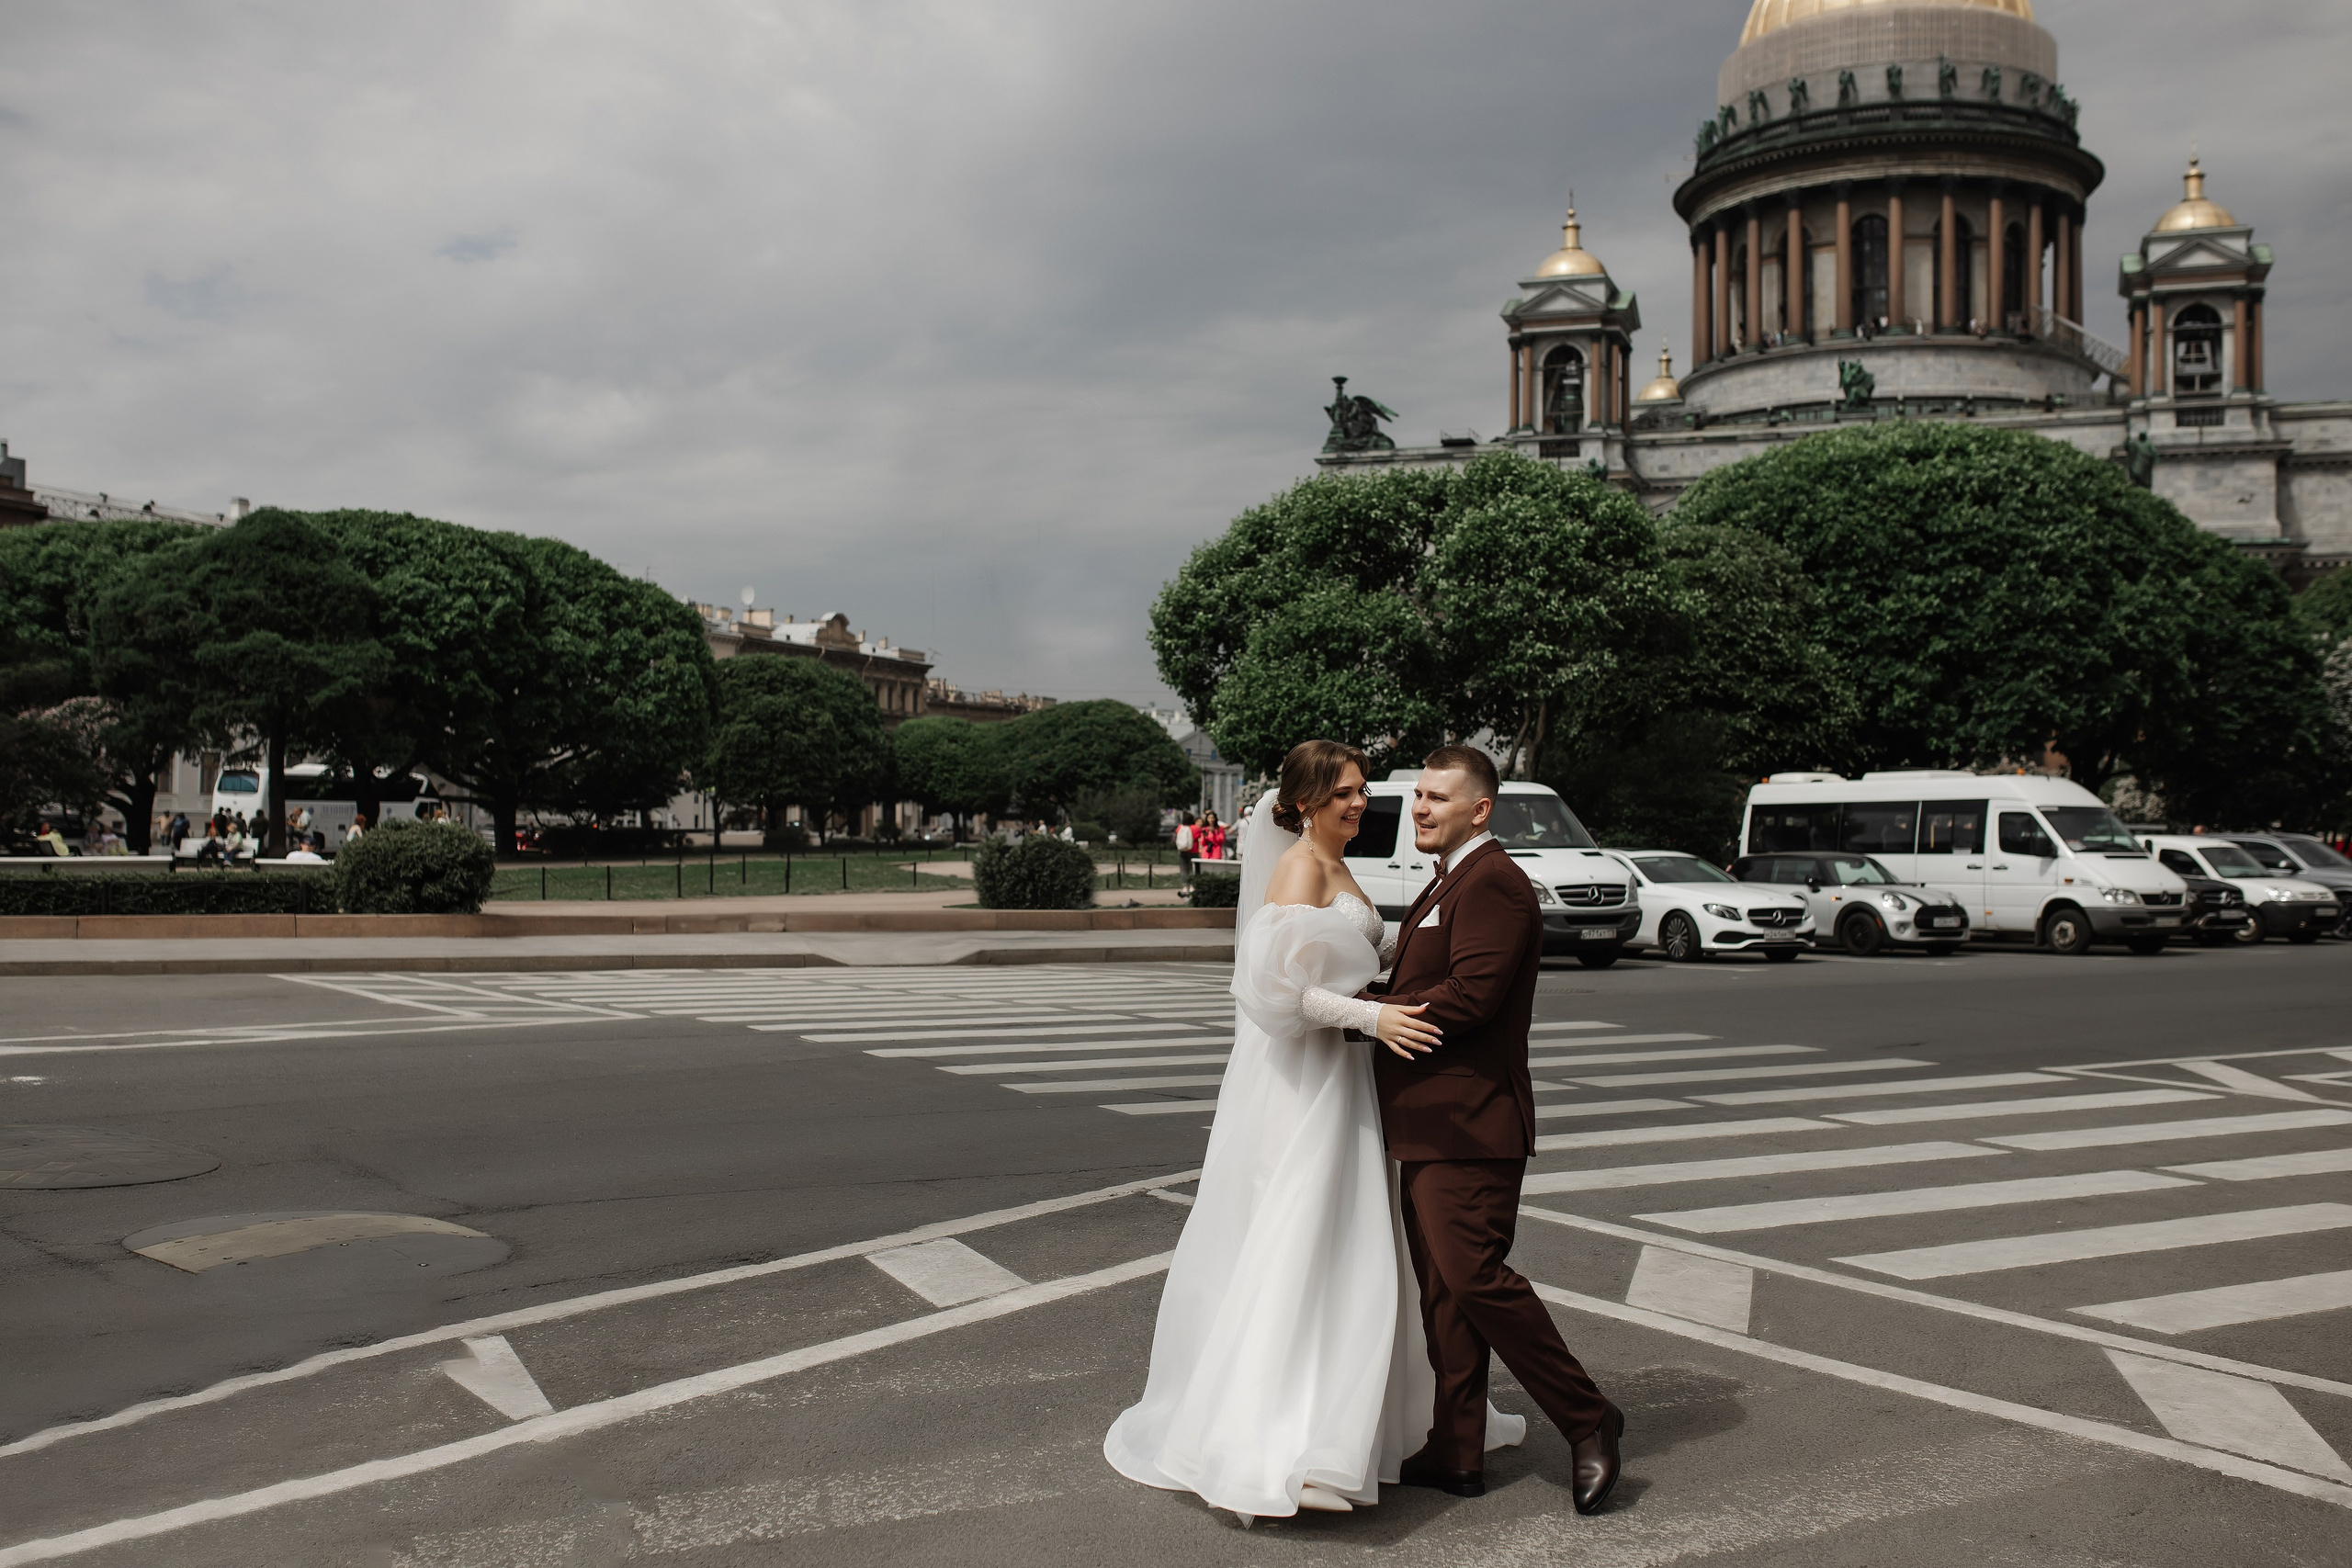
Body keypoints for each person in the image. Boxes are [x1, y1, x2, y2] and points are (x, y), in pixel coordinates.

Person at [1104, 740, 1522, 1519]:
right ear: (1301, 805)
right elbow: (1275, 991)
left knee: (1346, 1242)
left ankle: (1350, 1422)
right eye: (1341, 794)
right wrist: (1374, 1016)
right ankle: (1280, 1435)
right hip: (1305, 1079)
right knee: (1301, 1236)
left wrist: (1414, 964)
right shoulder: (1300, 868)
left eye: (1361, 790)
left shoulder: (1339, 866)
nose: (1358, 803)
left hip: (1343, 1074)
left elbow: (1375, 952)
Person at [1363, 745, 1623, 1511]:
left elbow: (1471, 995)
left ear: (1480, 809)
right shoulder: (1447, 878)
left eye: (1437, 797)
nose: (1420, 807)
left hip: (1471, 1123)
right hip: (1429, 1121)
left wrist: (1363, 1017)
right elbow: (1424, 978)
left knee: (1476, 1278)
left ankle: (1588, 1416)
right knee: (1445, 1292)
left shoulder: (1495, 882)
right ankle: (1457, 1448)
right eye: (1418, 794)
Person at [1173, 813, 1196, 886]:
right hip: (1193, 850)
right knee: (1192, 868)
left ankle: (1185, 885)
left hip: (1182, 849)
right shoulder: (1195, 828)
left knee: (1183, 869)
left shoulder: (1180, 827)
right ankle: (1192, 884)